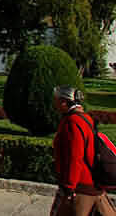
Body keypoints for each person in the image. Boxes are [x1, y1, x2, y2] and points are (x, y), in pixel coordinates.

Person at [50, 85, 116, 216]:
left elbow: (75, 157)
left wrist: (69, 187)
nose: (54, 103)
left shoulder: (72, 122)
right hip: (93, 184)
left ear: (64, 101)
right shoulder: (85, 117)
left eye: (56, 100)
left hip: (81, 186)